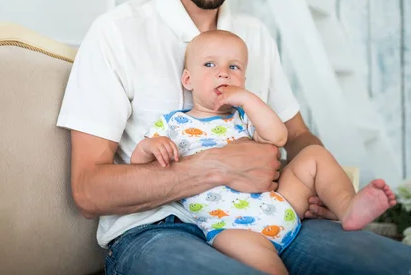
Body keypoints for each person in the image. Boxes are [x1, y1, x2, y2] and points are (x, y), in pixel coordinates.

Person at [57, 0, 411, 275]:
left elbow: (298, 136)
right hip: (157, 230)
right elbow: (88, 189)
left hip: (266, 216)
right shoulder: (117, 32)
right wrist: (220, 166)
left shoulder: (254, 35)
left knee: (408, 268)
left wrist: (316, 188)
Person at [130, 29, 396, 275]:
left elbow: (278, 137)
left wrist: (247, 100)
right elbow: (138, 169)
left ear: (243, 80)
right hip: (229, 227)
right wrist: (147, 147)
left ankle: (347, 206)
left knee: (314, 156)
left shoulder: (244, 116)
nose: (223, 73)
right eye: (210, 65)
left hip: (280, 201)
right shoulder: (173, 124)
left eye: (233, 67)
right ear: (188, 79)